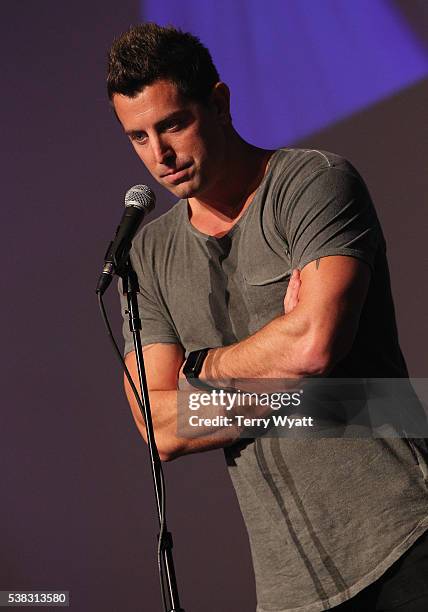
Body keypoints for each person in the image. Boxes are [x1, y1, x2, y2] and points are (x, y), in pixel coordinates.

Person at [107, 23, 428, 611]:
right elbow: (158, 426)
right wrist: (292, 390)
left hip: (405, 534)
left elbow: (313, 345)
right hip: (290, 584)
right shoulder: (147, 255)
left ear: (220, 103)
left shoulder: (311, 182)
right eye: (138, 137)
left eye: (174, 124)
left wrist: (198, 369)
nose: (161, 156)